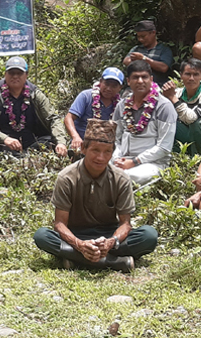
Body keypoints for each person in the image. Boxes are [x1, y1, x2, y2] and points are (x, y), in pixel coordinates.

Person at [34, 120, 159, 272]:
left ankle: (76, 259)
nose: (100, 157)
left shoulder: (121, 179)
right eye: (95, 150)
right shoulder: (66, 178)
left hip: (108, 235)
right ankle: (114, 262)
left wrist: (111, 242)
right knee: (42, 236)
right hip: (76, 235)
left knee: (149, 235)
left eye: (107, 151)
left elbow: (125, 223)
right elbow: (60, 224)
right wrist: (80, 244)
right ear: (83, 149)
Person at [0, 56, 68, 157]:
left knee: (49, 143)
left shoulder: (35, 95)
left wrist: (61, 142)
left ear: (26, 75)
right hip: (3, 144)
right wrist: (5, 139)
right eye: (11, 73)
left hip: (32, 143)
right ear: (5, 74)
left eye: (19, 73)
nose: (15, 76)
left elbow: (53, 119)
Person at [110, 60, 178, 185]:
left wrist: (134, 162)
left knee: (123, 177)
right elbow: (115, 138)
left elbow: (164, 147)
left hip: (152, 164)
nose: (140, 81)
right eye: (135, 77)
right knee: (90, 169)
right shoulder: (122, 105)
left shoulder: (164, 106)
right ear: (128, 81)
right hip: (122, 159)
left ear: (151, 79)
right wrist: (116, 159)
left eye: (144, 77)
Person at [161, 58, 201, 153]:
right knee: (167, 120)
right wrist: (165, 98)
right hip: (189, 137)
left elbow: (190, 118)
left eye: (196, 74)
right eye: (188, 74)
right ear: (181, 76)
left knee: (197, 123)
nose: (191, 78)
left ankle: (197, 154)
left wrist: (172, 97)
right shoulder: (178, 93)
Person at [65, 67, 125, 152]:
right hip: (82, 145)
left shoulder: (121, 105)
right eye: (106, 84)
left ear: (120, 88)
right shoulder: (86, 96)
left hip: (107, 148)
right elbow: (69, 118)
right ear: (100, 82)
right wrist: (75, 137)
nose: (108, 89)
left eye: (114, 86)